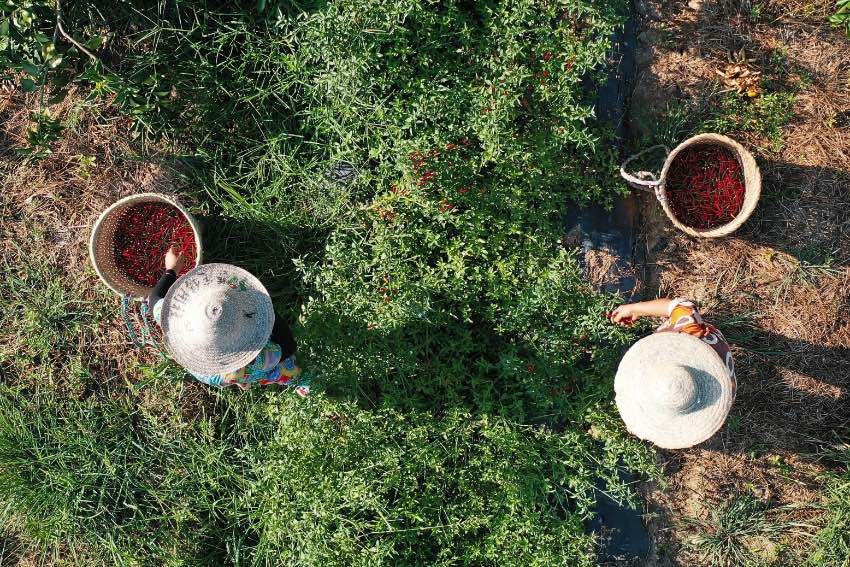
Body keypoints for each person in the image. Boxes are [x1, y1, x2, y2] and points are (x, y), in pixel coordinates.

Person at [147, 246, 309, 395]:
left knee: (239, 375)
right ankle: (301, 381)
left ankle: (242, 379)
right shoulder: (260, 358)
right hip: (259, 367)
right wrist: (266, 312)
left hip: (228, 375)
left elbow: (154, 299)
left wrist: (171, 270)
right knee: (284, 370)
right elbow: (287, 347)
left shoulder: (176, 323)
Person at [609, 297, 735, 449]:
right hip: (716, 347)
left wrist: (638, 424)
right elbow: (680, 305)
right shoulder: (690, 327)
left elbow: (681, 306)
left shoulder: (687, 326)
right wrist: (635, 308)